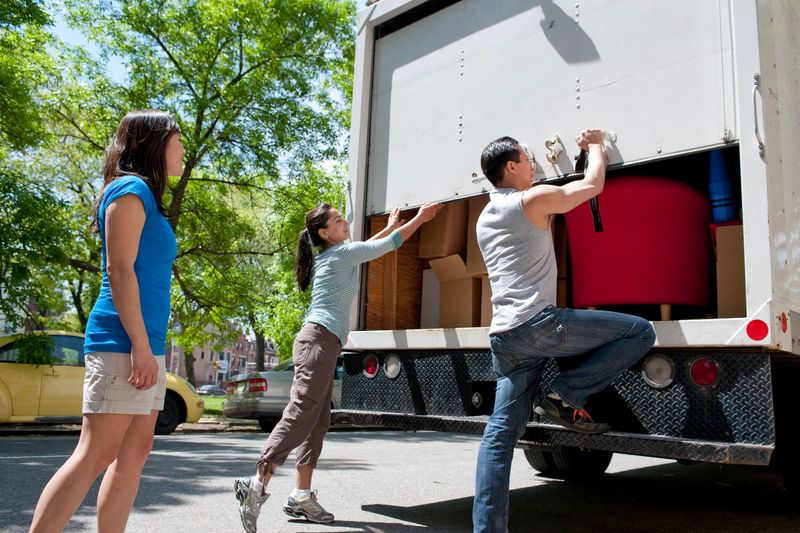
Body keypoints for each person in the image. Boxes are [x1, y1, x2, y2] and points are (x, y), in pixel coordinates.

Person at [472, 130, 656, 533]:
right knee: (640, 332)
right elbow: (593, 185)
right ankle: (567, 394)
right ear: (512, 167)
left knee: (500, 435)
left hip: (504, 337)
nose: (534, 162)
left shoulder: (485, 216)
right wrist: (594, 146)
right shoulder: (531, 200)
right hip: (540, 325)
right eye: (527, 157)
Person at [234, 200, 443, 532]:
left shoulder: (336, 254)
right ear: (324, 232)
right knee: (302, 412)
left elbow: (373, 246)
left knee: (317, 421)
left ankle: (301, 496)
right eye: (337, 220)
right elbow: (389, 245)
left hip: (323, 343)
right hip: (317, 341)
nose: (344, 221)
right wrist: (421, 218)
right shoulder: (341, 255)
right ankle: (256, 483)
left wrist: (389, 225)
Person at [29, 110, 183, 533]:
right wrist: (137, 344)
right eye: (177, 138)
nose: (183, 148)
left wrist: (149, 346)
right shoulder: (130, 190)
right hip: (122, 341)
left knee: (135, 455)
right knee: (94, 453)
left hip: (144, 343)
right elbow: (119, 269)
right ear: (154, 143)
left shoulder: (148, 198)